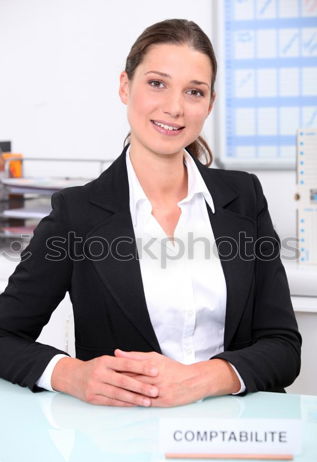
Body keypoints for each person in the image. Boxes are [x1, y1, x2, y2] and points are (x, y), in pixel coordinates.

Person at [0, 19, 301, 407]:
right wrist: (72, 374)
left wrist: (201, 379)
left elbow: (283, 348)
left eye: (194, 91)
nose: (174, 108)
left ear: (209, 104)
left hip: (234, 435)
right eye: (157, 83)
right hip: (123, 440)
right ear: (125, 86)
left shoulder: (244, 197)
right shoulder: (77, 213)